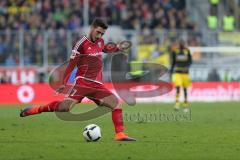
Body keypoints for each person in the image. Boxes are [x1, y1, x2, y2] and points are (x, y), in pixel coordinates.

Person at [20, 18, 136, 141]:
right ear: (92, 28)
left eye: (102, 33)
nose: (100, 35)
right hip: (82, 83)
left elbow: (106, 48)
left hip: (97, 85)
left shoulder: (100, 41)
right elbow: (71, 64)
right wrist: (64, 82)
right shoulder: (81, 44)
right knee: (64, 108)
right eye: (98, 32)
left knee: (116, 103)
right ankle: (35, 109)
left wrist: (118, 48)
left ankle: (120, 134)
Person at [170, 39, 192, 112]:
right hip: (177, 72)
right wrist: (171, 71)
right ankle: (177, 104)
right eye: (180, 43)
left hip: (185, 73)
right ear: (178, 44)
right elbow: (173, 62)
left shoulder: (187, 51)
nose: (181, 44)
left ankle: (185, 104)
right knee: (178, 88)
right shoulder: (175, 51)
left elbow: (190, 61)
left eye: (182, 43)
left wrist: (187, 67)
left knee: (185, 89)